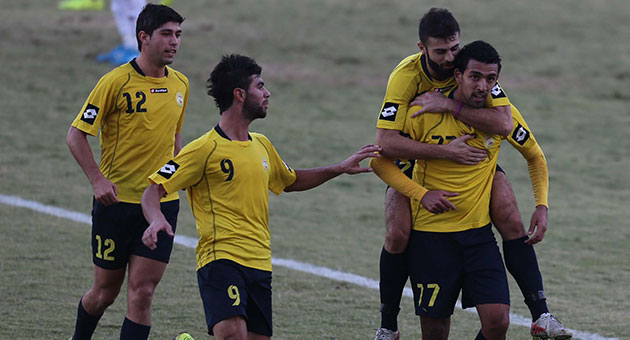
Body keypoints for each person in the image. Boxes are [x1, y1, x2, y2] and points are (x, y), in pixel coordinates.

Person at [140, 54, 381, 340]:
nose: (267, 93)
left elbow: (289, 180)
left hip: (260, 263)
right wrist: (155, 219)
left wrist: (338, 168)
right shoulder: (203, 149)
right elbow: (154, 188)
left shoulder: (262, 145)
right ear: (240, 95)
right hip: (221, 259)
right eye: (260, 86)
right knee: (233, 336)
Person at [372, 8, 571, 340]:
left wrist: (542, 204)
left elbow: (509, 127)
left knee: (509, 214)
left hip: (475, 179)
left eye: (454, 49)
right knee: (397, 232)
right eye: (441, 53)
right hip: (415, 158)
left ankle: (542, 314)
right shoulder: (408, 82)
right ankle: (387, 325)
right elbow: (384, 147)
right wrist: (443, 157)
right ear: (423, 49)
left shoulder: (481, 78)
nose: (450, 58)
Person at [65, 4, 187, 340]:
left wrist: (182, 179)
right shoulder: (115, 82)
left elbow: (175, 142)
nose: (174, 42)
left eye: (178, 34)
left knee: (143, 293)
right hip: (115, 205)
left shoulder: (181, 85)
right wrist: (97, 179)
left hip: (161, 206)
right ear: (143, 37)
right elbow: (76, 135)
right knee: (104, 294)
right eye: (166, 34)